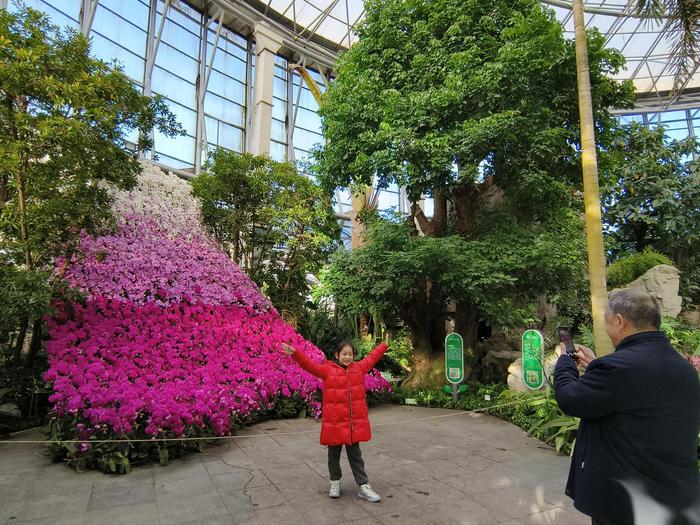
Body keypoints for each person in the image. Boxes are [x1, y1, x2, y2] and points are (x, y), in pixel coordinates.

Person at [554, 288, 700, 525]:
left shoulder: (619, 369)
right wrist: (597, 366)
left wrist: (564, 364)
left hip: (627, 504)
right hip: (678, 497)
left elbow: (570, 398)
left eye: (606, 322)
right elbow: (634, 398)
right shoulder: (683, 368)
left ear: (619, 321)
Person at [282, 340, 388, 502]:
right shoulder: (327, 370)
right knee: (333, 456)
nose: (347, 357)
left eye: (350, 354)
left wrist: (383, 345)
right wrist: (296, 354)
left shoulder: (359, 369)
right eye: (344, 354)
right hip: (334, 424)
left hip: (352, 426)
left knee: (356, 456)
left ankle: (364, 486)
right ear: (337, 355)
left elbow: (371, 358)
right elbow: (310, 365)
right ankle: (335, 483)